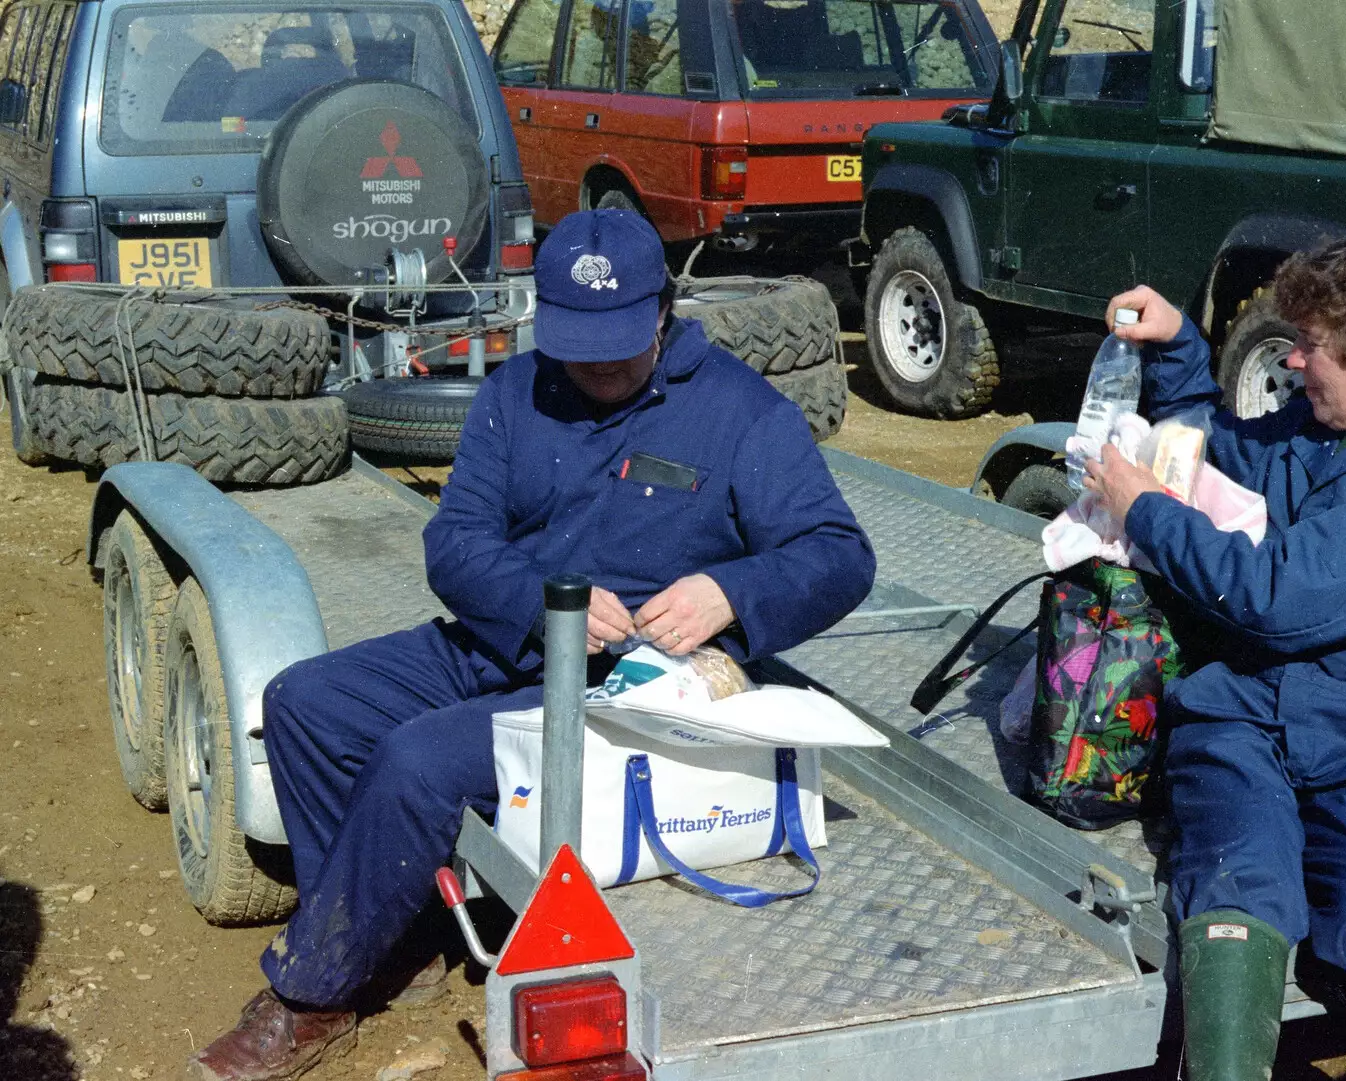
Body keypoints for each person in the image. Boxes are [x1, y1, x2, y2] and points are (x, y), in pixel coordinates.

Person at [188, 208, 877, 1081]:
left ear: (663, 310)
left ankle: (311, 993)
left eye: (619, 339)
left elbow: (840, 555)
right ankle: (381, 930)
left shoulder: (740, 412)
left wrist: (727, 593)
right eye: (577, 340)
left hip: (624, 689)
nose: (596, 364)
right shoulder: (517, 392)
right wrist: (537, 603)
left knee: (418, 762)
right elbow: (456, 542)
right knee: (305, 703)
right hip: (505, 639)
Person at [1081, 236, 1346, 1080]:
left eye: (1313, 346)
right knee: (1233, 898)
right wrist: (1175, 348)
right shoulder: (1311, 431)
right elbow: (1214, 444)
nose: (1295, 360)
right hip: (1237, 720)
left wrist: (1149, 511)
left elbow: (1274, 598)